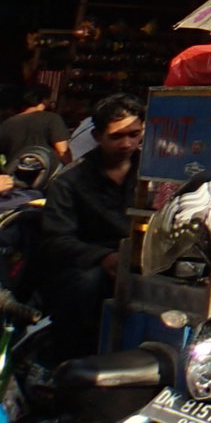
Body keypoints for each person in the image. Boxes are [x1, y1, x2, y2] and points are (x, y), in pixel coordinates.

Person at [36, 93, 144, 360]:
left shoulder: (153, 174)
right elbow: (56, 240)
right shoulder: (70, 182)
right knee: (85, 285)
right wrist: (103, 258)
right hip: (90, 267)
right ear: (97, 137)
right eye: (117, 136)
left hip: (143, 262)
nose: (127, 143)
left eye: (134, 134)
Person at [0, 84, 71, 173]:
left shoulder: (8, 123)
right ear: (44, 100)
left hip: (15, 177)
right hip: (45, 177)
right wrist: (70, 170)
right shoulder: (52, 119)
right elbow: (62, 151)